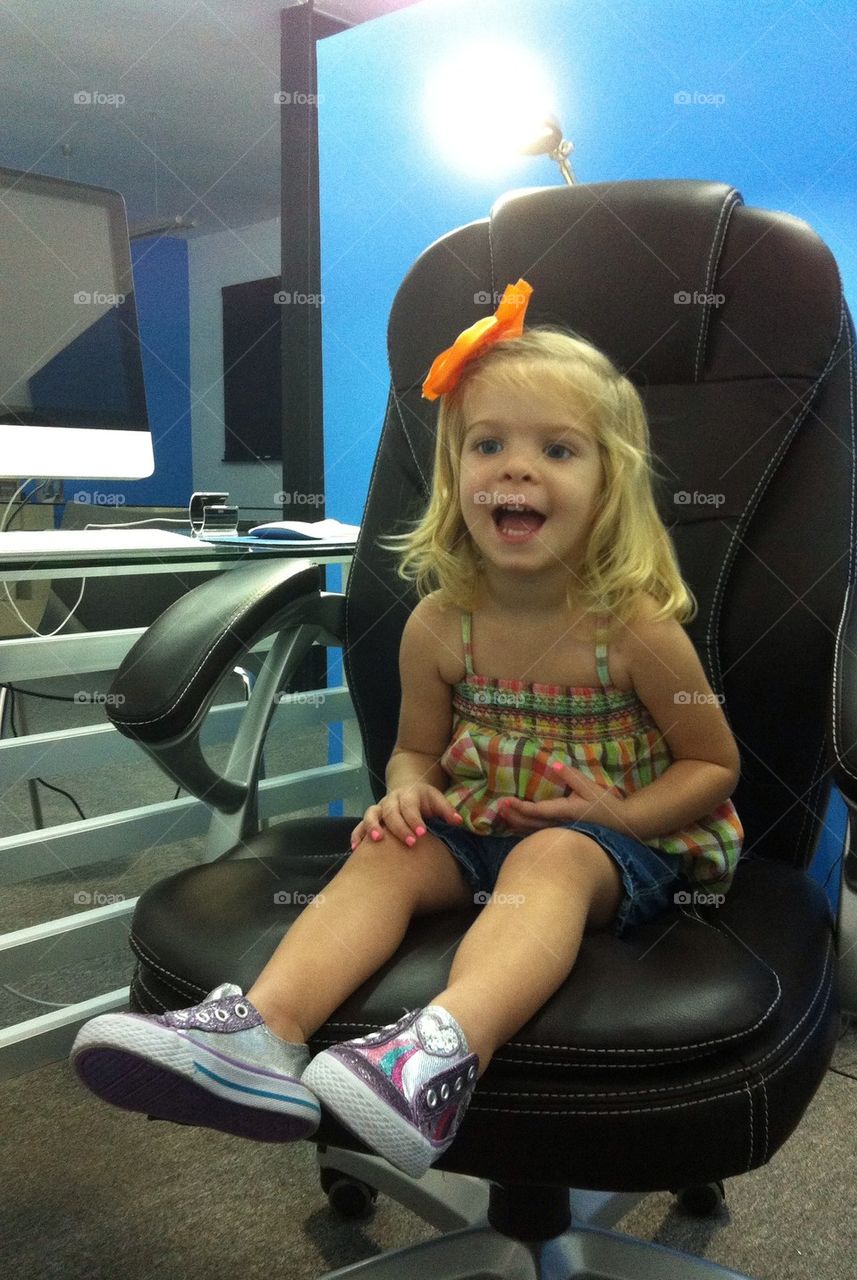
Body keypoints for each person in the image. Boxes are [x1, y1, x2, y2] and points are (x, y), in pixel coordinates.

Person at [71, 279, 743, 1181]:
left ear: (609, 485)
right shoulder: (440, 624)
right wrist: (404, 790)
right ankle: (261, 1033)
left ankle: (435, 1056)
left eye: (557, 448)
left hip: (611, 840)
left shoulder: (634, 630)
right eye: (487, 444)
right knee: (389, 850)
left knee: (551, 859)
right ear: (454, 474)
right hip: (475, 821)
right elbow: (417, 749)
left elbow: (713, 763)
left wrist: (618, 818)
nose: (515, 467)